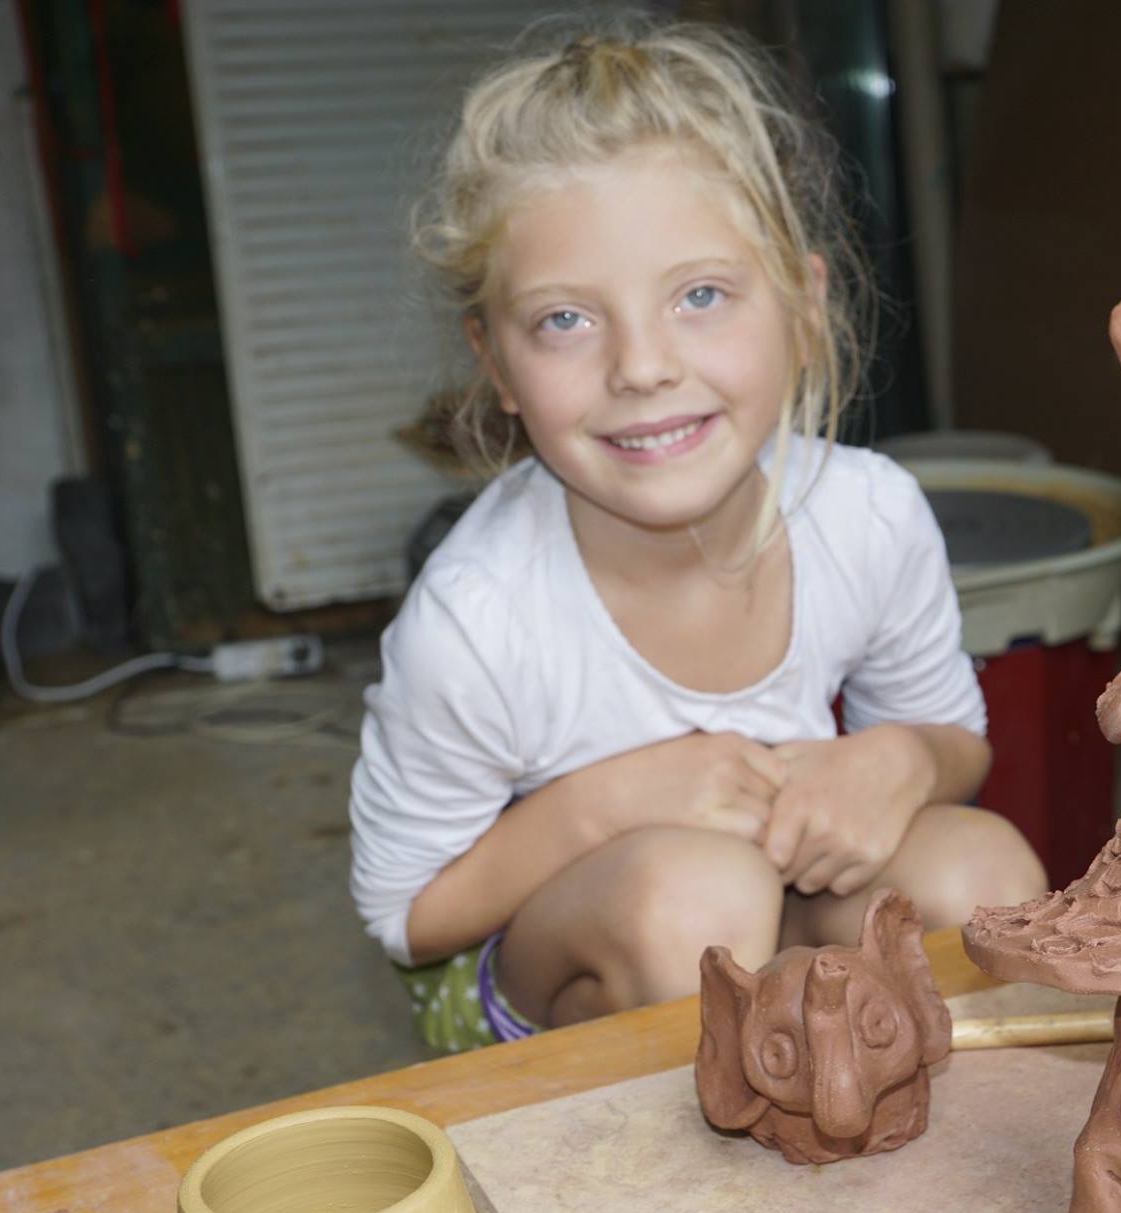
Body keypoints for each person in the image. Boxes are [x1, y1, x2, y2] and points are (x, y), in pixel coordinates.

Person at [350, 21, 1047, 1052]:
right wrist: (606, 805)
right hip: (554, 974)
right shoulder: (476, 623)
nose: (641, 366)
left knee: (977, 873)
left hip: (776, 897)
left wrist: (899, 758)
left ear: (802, 306)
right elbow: (405, 914)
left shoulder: (868, 515)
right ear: (495, 363)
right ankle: (678, 1141)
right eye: (563, 320)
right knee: (694, 900)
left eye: (701, 296)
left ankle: (865, 1110)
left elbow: (954, 740)